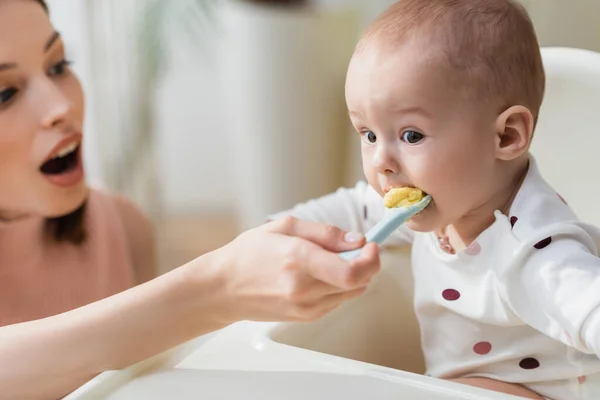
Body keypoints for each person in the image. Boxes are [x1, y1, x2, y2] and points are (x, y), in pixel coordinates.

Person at [0, 0, 381, 398]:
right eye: (5, 94)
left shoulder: (120, 227)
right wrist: (218, 288)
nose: (60, 106)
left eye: (58, 66)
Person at [269, 1, 600, 399]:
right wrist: (273, 236)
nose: (382, 163)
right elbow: (350, 209)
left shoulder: (533, 249)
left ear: (507, 136)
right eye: (369, 133)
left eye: (411, 136)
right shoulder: (445, 203)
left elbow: (585, 300)